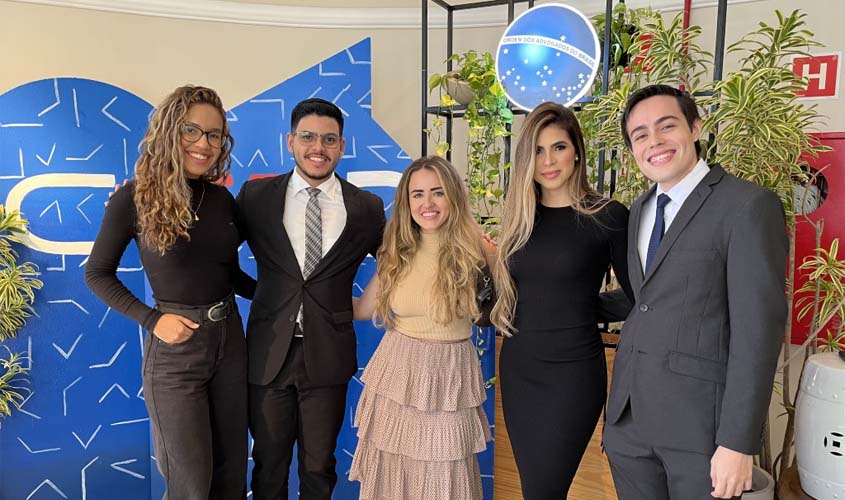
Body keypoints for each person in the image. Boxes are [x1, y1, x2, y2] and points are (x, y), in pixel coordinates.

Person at [603, 84, 788, 500]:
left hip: (700, 430)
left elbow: (757, 332)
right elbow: (647, 299)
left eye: (667, 126)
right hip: (629, 424)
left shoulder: (747, 206)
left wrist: (738, 442)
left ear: (695, 128)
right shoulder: (640, 209)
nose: (655, 141)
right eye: (640, 135)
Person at [85, 85, 255, 499]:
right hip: (176, 353)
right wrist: (153, 320)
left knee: (232, 477)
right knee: (190, 485)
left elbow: (229, 274)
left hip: (230, 343)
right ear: (168, 132)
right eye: (191, 130)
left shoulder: (222, 200)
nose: (204, 144)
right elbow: (97, 274)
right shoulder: (133, 198)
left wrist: (287, 297)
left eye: (214, 135)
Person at [236, 98, 386, 499]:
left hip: (329, 354)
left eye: (329, 139)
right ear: (290, 141)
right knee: (268, 465)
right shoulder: (255, 197)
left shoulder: (367, 207)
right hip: (268, 354)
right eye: (307, 137)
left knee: (319, 467)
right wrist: (137, 201)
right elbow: (212, 248)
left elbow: (399, 260)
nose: (318, 147)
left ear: (341, 146)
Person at [490, 101, 634, 499]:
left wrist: (584, 309)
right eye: (537, 151)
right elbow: (517, 293)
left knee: (544, 490)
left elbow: (641, 296)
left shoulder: (608, 216)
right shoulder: (520, 219)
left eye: (558, 147)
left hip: (573, 375)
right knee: (533, 488)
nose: (548, 161)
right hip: (520, 370)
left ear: (577, 151)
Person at [348, 155, 495, 500]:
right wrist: (307, 294)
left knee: (446, 480)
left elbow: (506, 306)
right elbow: (363, 309)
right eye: (417, 194)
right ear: (407, 201)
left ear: (453, 196)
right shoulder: (396, 251)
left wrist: (495, 258)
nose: (427, 203)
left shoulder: (477, 249)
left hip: (451, 376)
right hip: (397, 375)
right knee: (394, 480)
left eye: (437, 192)